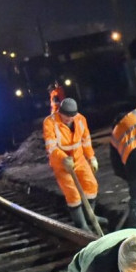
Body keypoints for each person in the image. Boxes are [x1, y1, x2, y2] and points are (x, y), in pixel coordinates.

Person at [42, 97, 101, 231]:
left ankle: (91, 217)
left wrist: (91, 158)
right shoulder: (50, 122)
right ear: (60, 112)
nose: (69, 118)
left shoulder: (80, 119)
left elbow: (86, 140)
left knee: (91, 185)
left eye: (72, 116)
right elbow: (51, 146)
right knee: (72, 193)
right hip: (61, 163)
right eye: (66, 115)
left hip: (79, 159)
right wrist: (63, 158)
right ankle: (81, 224)